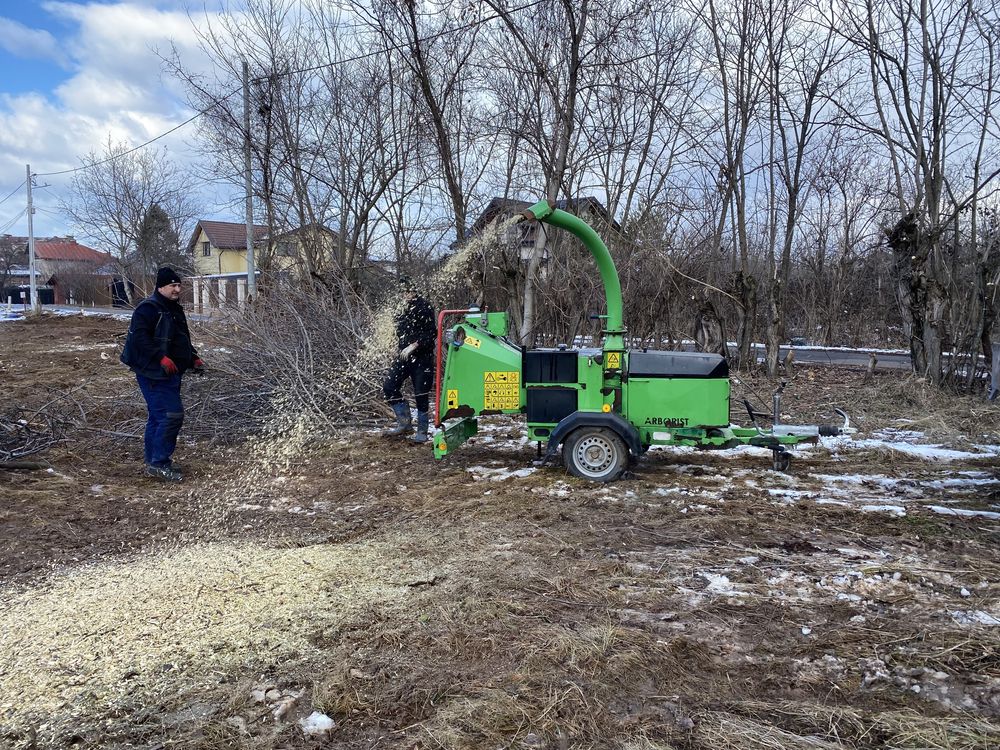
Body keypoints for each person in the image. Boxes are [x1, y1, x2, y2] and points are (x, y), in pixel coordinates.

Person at [120, 267, 204, 481]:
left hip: (171, 371)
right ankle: (159, 463)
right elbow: (140, 339)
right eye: (172, 286)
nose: (177, 289)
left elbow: (181, 338)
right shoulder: (148, 309)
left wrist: (192, 356)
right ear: (161, 287)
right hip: (153, 372)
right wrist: (160, 358)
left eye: (178, 285)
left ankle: (153, 462)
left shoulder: (174, 308)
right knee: (171, 415)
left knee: (158, 417)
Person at [382, 275, 436, 443]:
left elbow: (431, 333)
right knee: (390, 386)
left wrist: (416, 345)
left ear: (414, 290)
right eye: (402, 292)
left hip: (422, 357)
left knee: (421, 393)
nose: (405, 294)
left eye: (408, 291)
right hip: (404, 356)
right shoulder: (400, 308)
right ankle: (405, 423)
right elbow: (398, 330)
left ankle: (422, 430)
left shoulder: (424, 307)